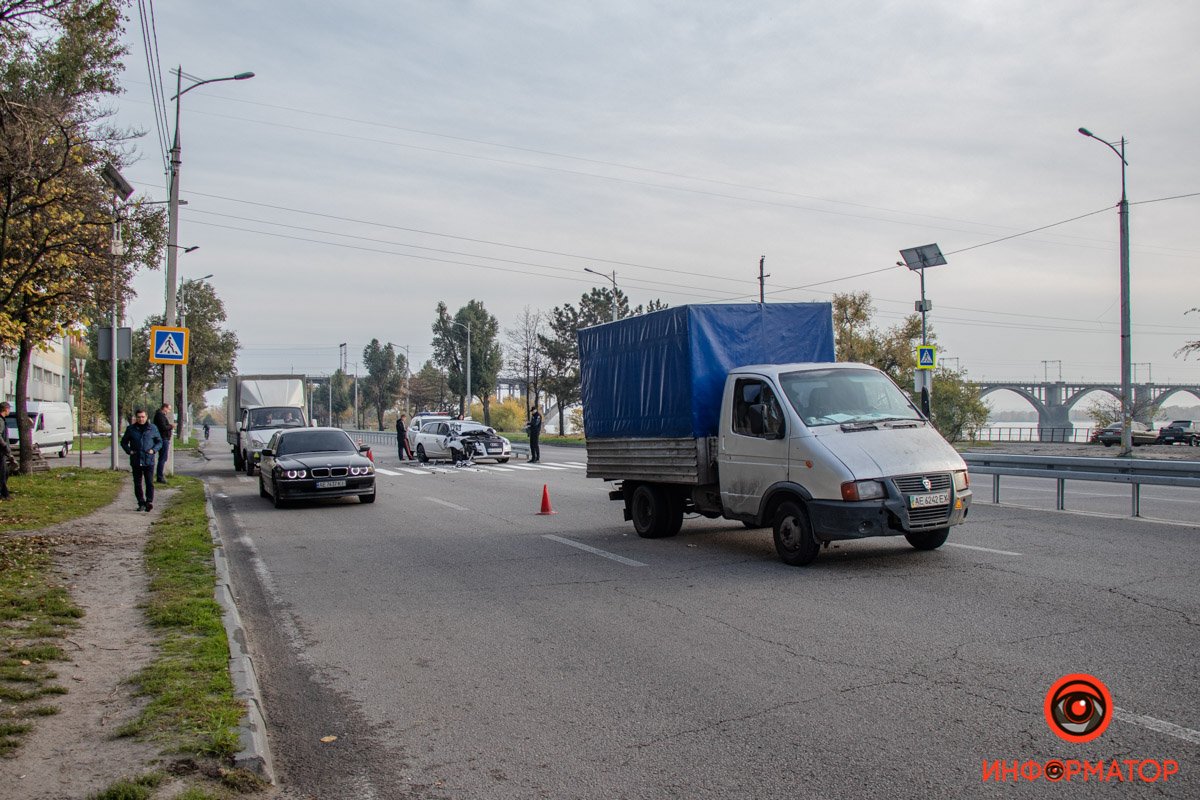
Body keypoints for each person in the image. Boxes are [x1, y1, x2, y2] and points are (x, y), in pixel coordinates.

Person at [121, 408, 163, 512]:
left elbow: (159, 442)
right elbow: (124, 442)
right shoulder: (131, 429)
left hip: (149, 460)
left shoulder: (152, 428)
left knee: (149, 482)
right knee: (137, 483)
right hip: (136, 459)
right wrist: (129, 451)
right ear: (136, 418)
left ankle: (149, 502)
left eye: (143, 417)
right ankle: (141, 503)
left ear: (146, 417)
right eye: (139, 417)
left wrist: (153, 450)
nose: (141, 419)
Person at [152, 403, 174, 483]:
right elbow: (163, 427)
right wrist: (171, 426)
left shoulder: (160, 415)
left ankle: (160, 475)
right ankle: (160, 477)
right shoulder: (160, 415)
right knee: (162, 458)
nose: (169, 411)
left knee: (163, 458)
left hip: (163, 438)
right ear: (164, 408)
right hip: (163, 438)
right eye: (169, 409)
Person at [0, 402, 11, 501]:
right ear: (5, 409)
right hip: (1, 451)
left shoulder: (3, 420)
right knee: (3, 473)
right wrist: (5, 446)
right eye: (9, 409)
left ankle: (4, 493)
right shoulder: (0, 421)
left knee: (5, 472)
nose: (9, 411)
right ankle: (4, 494)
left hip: (2, 451)